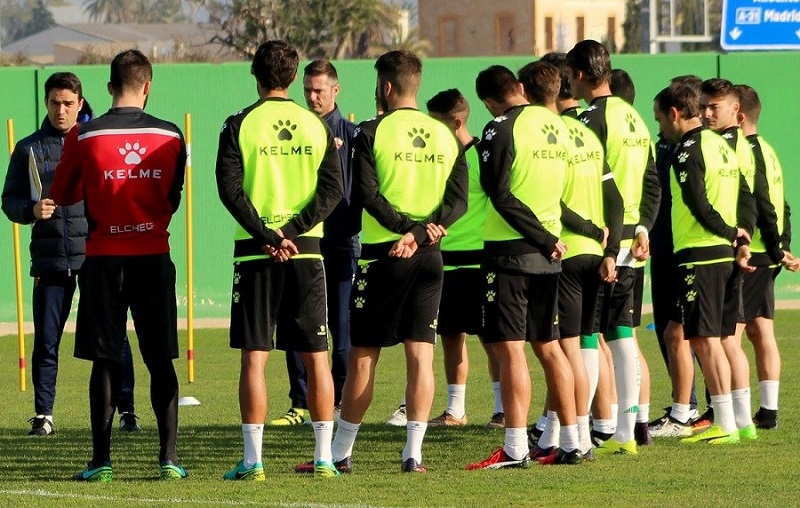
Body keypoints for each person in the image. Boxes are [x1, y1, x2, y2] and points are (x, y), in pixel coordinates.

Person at [321, 49, 467, 474]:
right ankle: (412, 455)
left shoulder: (370, 131)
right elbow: (457, 201)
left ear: (385, 86)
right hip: (431, 257)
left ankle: (340, 452)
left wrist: (405, 232)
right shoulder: (444, 134)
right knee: (421, 355)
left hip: (386, 255)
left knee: (363, 356)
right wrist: (423, 233)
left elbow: (366, 194)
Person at [50, 49, 187, 482]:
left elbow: (63, 194)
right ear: (147, 86)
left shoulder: (83, 136)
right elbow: (173, 197)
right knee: (160, 359)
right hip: (153, 256)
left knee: (106, 361)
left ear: (109, 88)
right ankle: (168, 460)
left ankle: (101, 462)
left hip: (103, 260)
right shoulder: (171, 136)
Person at [216, 40, 343, 480]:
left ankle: (253, 463)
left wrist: (269, 234)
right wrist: (291, 233)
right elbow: (332, 192)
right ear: (293, 79)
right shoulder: (317, 127)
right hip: (306, 252)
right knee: (317, 357)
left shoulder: (238, 124)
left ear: (256, 75)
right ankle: (325, 459)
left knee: (255, 357)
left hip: (256, 252)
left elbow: (230, 191)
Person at [2, 72, 140, 438]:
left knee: (113, 337)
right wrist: (30, 211)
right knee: (47, 339)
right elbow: (9, 200)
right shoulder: (28, 148)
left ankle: (127, 409)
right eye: (53, 103)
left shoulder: (96, 141)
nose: (60, 110)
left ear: (80, 104)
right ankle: (44, 414)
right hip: (50, 259)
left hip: (95, 256)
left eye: (67, 103)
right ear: (45, 104)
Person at [466, 64, 578, 469]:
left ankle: (514, 448)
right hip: (548, 256)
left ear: (489, 100)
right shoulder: (559, 127)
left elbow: (500, 194)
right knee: (549, 348)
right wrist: (550, 238)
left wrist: (542, 238)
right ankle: (571, 440)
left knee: (511, 350)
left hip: (512, 251)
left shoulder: (501, 126)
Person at [518, 59, 624, 460]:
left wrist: (587, 232)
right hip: (596, 255)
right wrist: (610, 248)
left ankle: (575, 440)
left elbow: (551, 201)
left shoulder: (551, 134)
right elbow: (614, 197)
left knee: (564, 350)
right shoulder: (586, 135)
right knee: (582, 346)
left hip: (564, 252)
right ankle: (562, 436)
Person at [566, 40, 660, 456]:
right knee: (623, 335)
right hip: (631, 245)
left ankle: (580, 433)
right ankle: (625, 433)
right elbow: (652, 181)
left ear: (581, 75)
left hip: (600, 241)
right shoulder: (635, 119)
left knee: (586, 334)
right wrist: (643, 229)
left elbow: (596, 183)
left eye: (570, 74)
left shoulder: (589, 119)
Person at [653, 81, 754, 446]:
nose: (661, 127)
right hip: (725, 255)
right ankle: (742, 421)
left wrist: (729, 232)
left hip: (700, 253)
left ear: (675, 114)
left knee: (703, 339)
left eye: (661, 119)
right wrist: (742, 237)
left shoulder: (687, 150)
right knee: (722, 338)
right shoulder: (722, 143)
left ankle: (723, 422)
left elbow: (697, 204)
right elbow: (746, 195)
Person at [270, 59, 358, 427]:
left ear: (335, 90)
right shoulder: (294, 128)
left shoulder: (352, 135)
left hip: (338, 247)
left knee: (340, 329)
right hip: (299, 244)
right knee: (295, 327)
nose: (312, 96)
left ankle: (335, 401)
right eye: (307, 89)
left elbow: (355, 192)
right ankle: (300, 404)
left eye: (319, 90)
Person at [424, 88, 505, 429]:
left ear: (457, 122)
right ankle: (455, 410)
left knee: (493, 341)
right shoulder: (436, 156)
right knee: (450, 337)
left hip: (479, 262)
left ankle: (502, 410)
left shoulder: (482, 155)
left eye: (438, 124)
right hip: (444, 259)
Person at [733, 84, 799, 429]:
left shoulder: (746, 151)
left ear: (738, 115)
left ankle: (735, 415)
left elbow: (762, 204)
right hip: (767, 252)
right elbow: (782, 204)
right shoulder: (769, 151)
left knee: (730, 335)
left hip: (755, 253)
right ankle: (768, 412)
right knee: (761, 331)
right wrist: (783, 245)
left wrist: (774, 247)